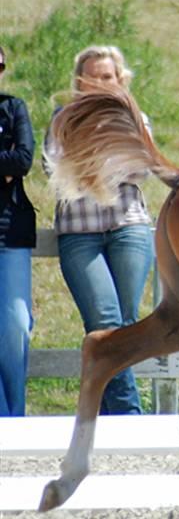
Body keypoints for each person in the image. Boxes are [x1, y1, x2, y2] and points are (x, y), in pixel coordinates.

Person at [43, 46, 154, 415]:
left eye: (106, 76)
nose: (99, 83)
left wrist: (87, 164)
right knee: (105, 322)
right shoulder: (62, 120)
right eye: (91, 76)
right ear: (79, 82)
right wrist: (109, 162)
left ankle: (102, 419)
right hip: (80, 233)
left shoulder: (135, 118)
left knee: (125, 325)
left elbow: (140, 168)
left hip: (130, 228)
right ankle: (128, 416)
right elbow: (56, 172)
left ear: (120, 79)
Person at [0, 45, 36, 417]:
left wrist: (12, 164)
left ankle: (14, 420)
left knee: (15, 327)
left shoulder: (13, 108)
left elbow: (23, 160)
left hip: (9, 233)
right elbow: (9, 163)